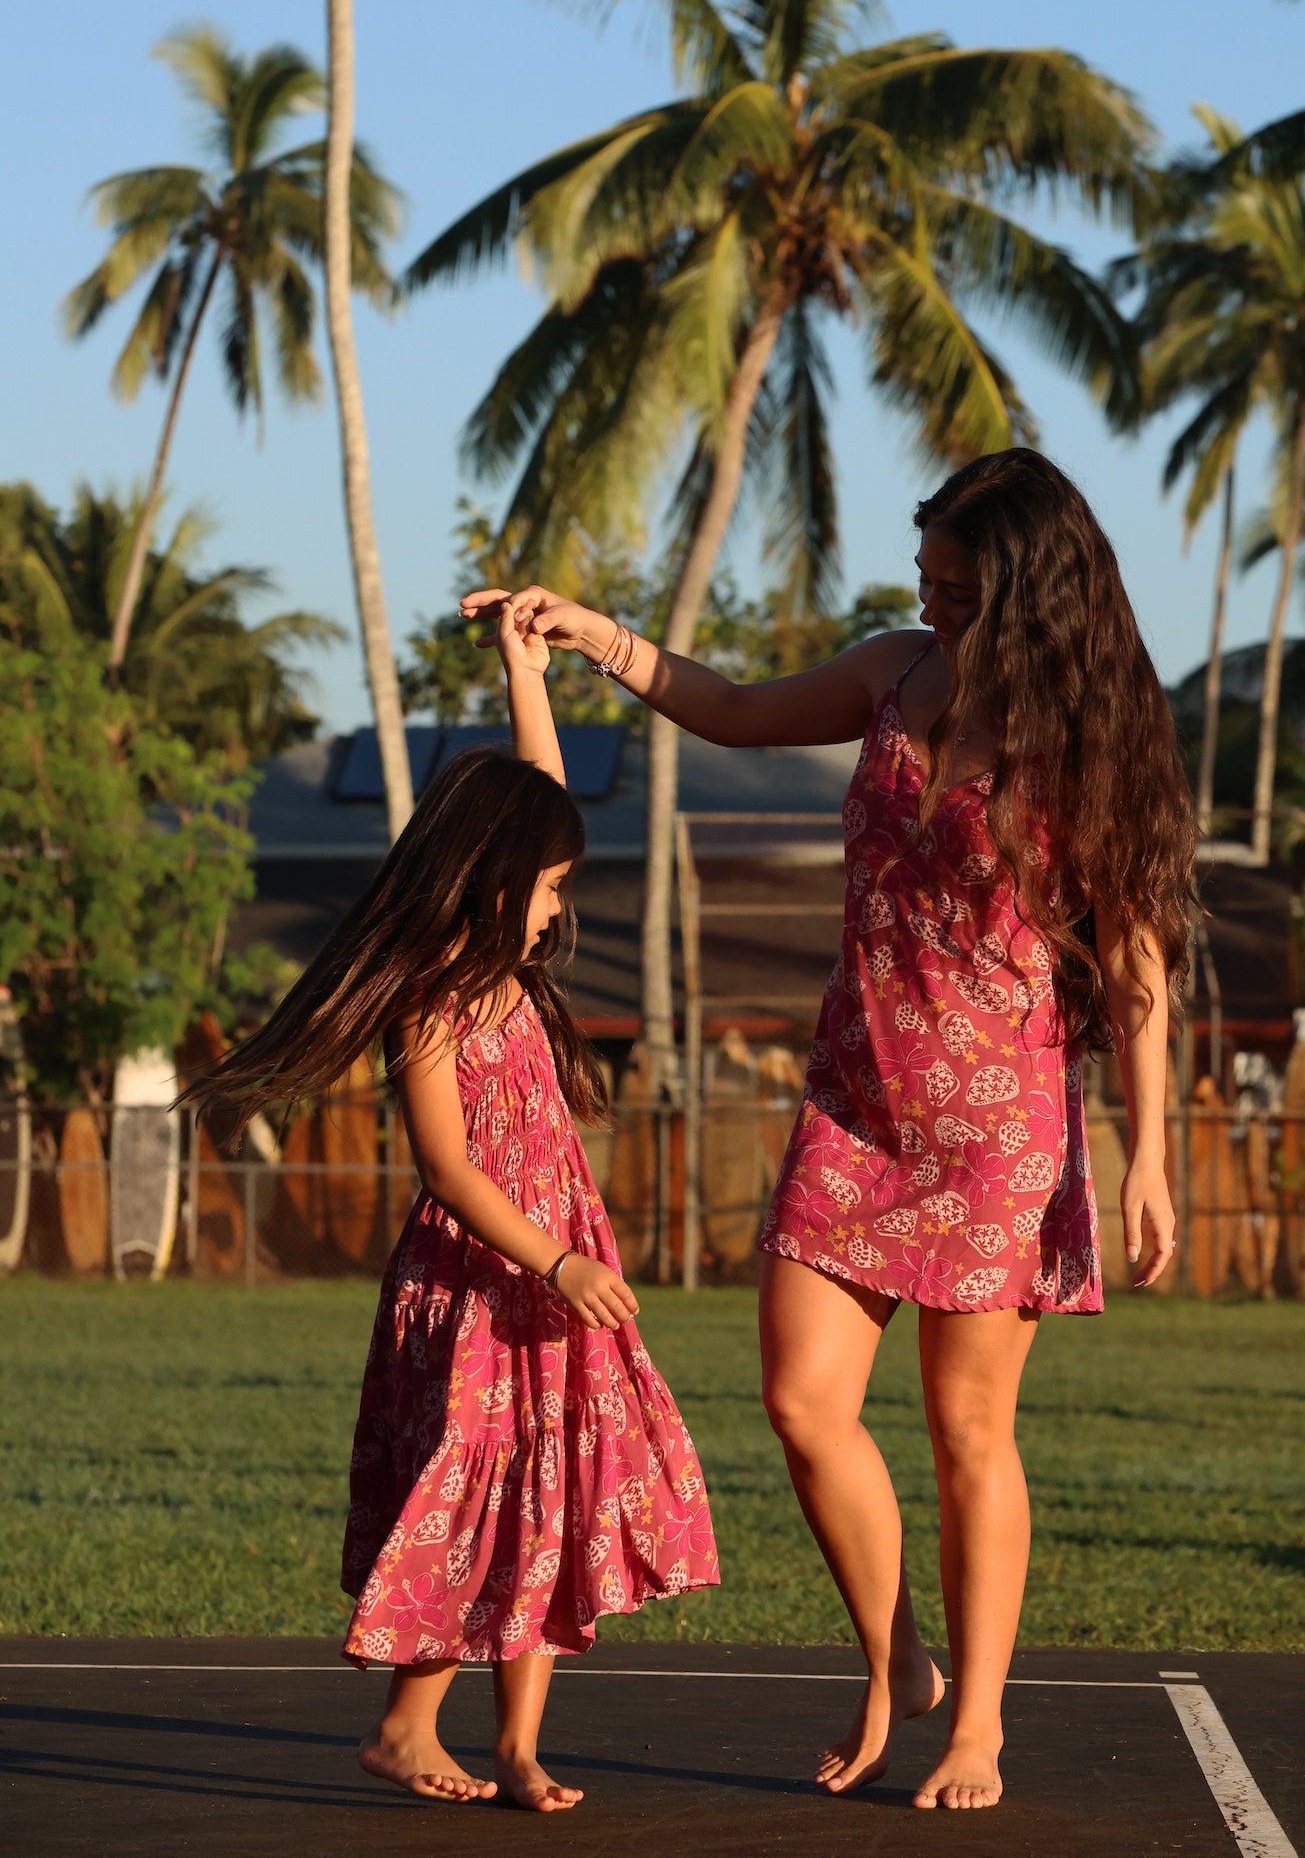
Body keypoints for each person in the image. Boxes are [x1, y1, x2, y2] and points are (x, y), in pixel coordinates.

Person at [465, 448, 1195, 1815]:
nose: (931, 606)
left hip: (997, 1122)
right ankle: (896, 1653)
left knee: (966, 1426)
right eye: (921, 580)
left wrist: (1147, 1147)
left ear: (1029, 596)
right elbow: (734, 708)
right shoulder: (888, 674)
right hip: (855, 1098)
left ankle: (973, 1720)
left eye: (958, 589)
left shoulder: (1083, 736)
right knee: (803, 1403)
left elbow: (1135, 954)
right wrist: (597, 636)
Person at [191, 602, 717, 1811]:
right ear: (494, 883)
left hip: (548, 1277)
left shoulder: (508, 970)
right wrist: (559, 1262)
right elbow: (447, 1168)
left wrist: (524, 671)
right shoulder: (437, 993)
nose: (553, 907)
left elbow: (534, 793)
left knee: (549, 1495)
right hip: (485, 1279)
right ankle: (405, 1724)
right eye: (545, 887)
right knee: (472, 1489)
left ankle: (524, 1745)